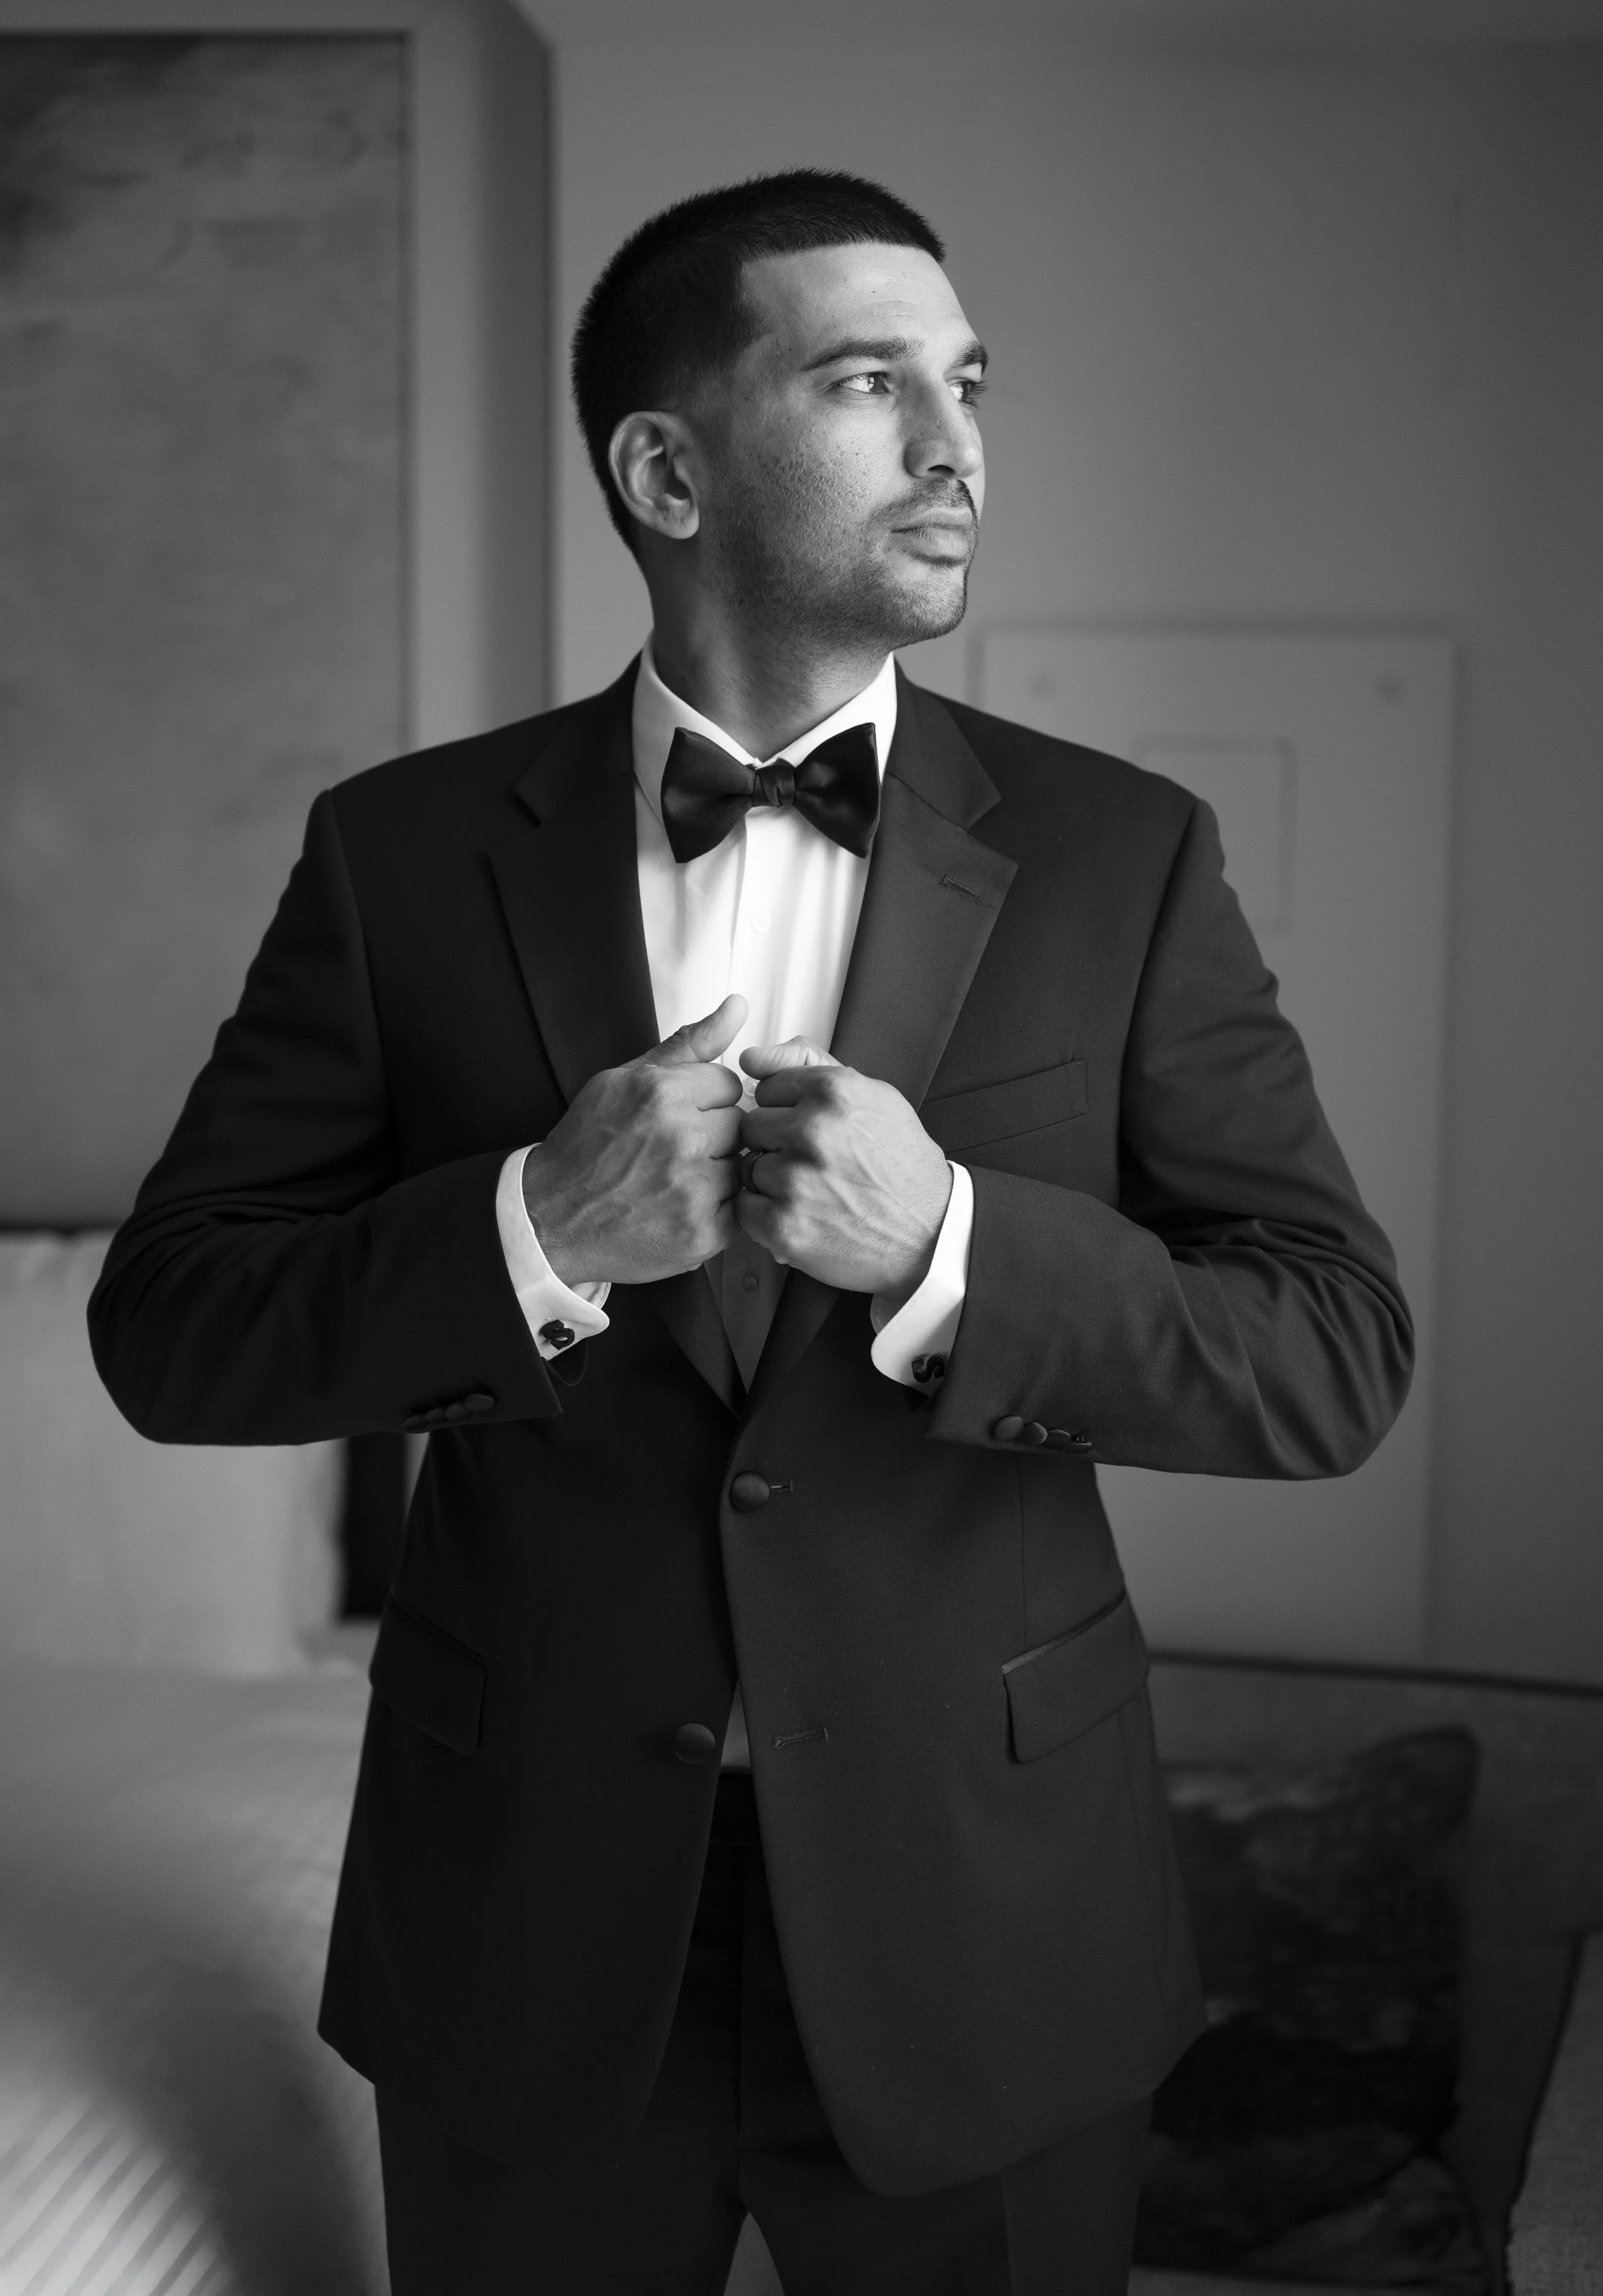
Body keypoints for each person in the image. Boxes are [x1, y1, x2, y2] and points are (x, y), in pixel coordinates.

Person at [89, 170, 1413, 2295]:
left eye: (968, 384)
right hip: (524, 1923)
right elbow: (168, 1328)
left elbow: (1334, 1346)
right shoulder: (404, 853)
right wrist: (532, 1225)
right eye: (871, 380)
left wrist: (953, 1249)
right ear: (667, 464)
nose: (957, 445)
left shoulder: (1117, 856)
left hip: (986, 1930)